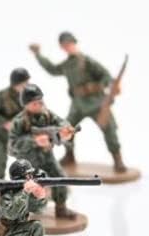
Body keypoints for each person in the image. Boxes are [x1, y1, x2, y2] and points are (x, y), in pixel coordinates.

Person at [30, 32, 127, 172]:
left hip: (96, 103)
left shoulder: (87, 61)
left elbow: (106, 76)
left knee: (109, 129)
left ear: (74, 43)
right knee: (66, 128)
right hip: (78, 105)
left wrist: (104, 86)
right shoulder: (67, 64)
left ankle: (118, 160)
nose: (68, 47)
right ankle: (69, 156)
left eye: (69, 44)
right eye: (64, 45)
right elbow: (52, 69)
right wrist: (38, 54)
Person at [8, 83, 79, 219]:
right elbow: (12, 145)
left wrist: (66, 130)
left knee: (59, 178)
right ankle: (22, 212)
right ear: (26, 104)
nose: (39, 105)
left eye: (40, 101)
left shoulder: (47, 115)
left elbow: (61, 122)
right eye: (34, 103)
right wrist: (34, 141)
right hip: (28, 161)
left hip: (47, 156)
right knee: (27, 187)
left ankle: (61, 208)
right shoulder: (19, 121)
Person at [0, 159, 55, 236]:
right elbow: (11, 214)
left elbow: (38, 210)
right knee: (36, 226)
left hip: (22, 231)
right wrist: (25, 192)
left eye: (31, 174)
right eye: (28, 175)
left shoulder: (26, 191)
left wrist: (40, 197)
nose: (31, 177)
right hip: (7, 232)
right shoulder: (7, 193)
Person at [0, 67, 30, 180]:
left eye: (27, 82)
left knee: (28, 161)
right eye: (24, 83)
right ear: (15, 84)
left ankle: (27, 183)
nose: (26, 85)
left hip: (23, 134)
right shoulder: (2, 96)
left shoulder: (30, 95)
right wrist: (4, 123)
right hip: (5, 134)